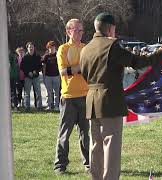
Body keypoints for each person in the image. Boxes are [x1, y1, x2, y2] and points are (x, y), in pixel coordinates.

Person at [79, 12, 162, 180]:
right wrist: (160, 52)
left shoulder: (85, 48)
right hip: (109, 100)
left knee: (96, 145)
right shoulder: (111, 46)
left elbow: (85, 75)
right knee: (111, 145)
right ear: (110, 29)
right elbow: (137, 62)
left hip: (92, 100)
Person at [53, 19, 89, 174]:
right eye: (77, 30)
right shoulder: (63, 49)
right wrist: (81, 68)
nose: (80, 33)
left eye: (82, 30)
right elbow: (63, 72)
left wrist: (75, 69)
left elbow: (90, 69)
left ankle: (89, 164)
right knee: (64, 134)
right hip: (68, 97)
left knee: (85, 134)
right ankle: (60, 166)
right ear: (68, 31)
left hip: (86, 96)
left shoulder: (86, 48)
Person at [20, 42, 43, 111]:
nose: (31, 48)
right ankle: (27, 107)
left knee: (38, 92)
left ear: (34, 48)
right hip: (27, 77)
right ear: (27, 48)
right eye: (29, 47)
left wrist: (36, 71)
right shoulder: (25, 57)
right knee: (27, 93)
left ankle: (39, 107)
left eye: (32, 47)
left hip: (36, 77)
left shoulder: (37, 56)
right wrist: (28, 72)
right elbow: (22, 67)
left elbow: (40, 66)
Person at [42, 41, 60, 111]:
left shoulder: (58, 55)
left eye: (52, 46)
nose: (51, 48)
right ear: (48, 48)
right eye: (49, 47)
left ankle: (57, 106)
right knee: (48, 92)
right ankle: (49, 105)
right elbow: (44, 67)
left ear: (55, 47)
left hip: (56, 76)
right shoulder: (46, 56)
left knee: (56, 92)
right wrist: (44, 76)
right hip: (48, 76)